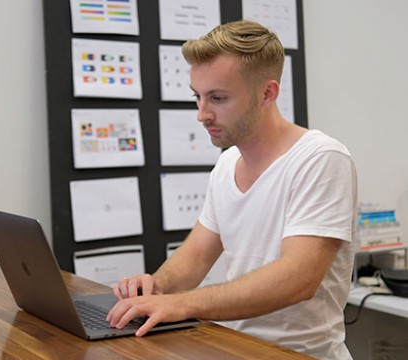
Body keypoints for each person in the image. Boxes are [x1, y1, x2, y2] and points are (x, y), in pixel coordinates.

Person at [106, 19, 357, 359]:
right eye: (198, 97)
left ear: (267, 93)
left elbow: (298, 278)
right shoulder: (227, 165)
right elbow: (195, 256)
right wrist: (155, 287)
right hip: (234, 348)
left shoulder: (320, 158)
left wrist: (180, 304)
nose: (202, 114)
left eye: (218, 98)